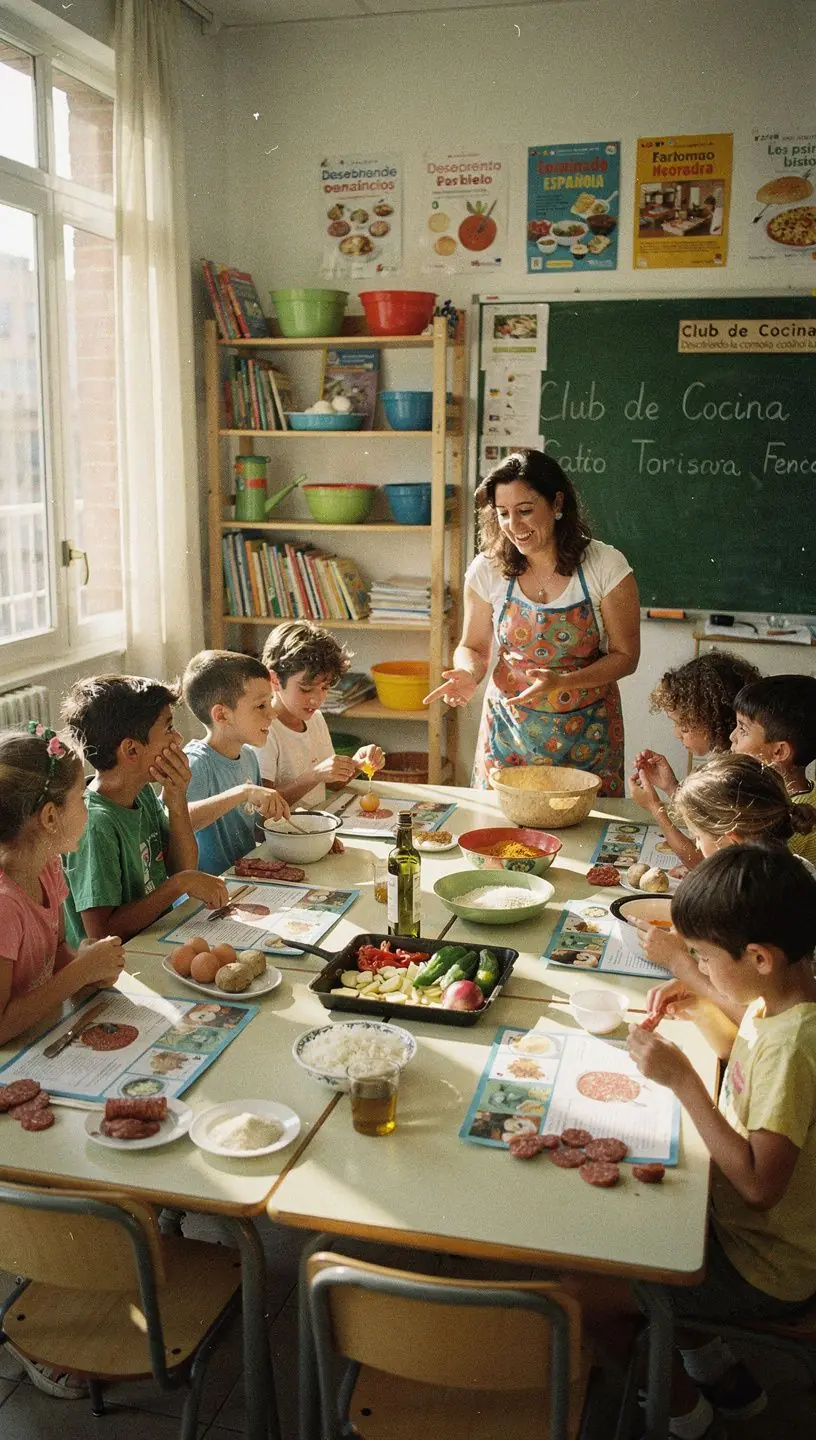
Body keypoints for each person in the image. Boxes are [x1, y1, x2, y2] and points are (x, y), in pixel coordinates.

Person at [629, 846, 816, 1437]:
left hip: (765, 1265)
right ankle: (722, 1374)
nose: (700, 968)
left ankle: (685, 1415)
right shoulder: (784, 1001)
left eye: (704, 959)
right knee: (639, 1215)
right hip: (740, 1228)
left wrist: (685, 1083)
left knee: (599, 1287)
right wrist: (706, 1001)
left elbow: (760, 1186)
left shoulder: (796, 1049)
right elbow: (750, 1043)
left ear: (758, 956)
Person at [422, 449, 640, 795]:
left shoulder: (605, 565)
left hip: (588, 733)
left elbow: (626, 656)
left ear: (556, 504)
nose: (513, 526)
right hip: (509, 733)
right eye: (503, 514)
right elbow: (473, 646)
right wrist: (467, 673)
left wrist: (564, 682)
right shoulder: (487, 568)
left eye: (525, 511)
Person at [61, 675, 228, 944]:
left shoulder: (143, 793)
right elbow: (102, 933)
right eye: (169, 728)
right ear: (132, 750)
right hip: (116, 968)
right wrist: (180, 884)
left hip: (154, 940)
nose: (178, 737)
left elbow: (182, 865)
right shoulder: (94, 823)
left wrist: (176, 797)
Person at [636, 753, 816, 1001]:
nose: (697, 847)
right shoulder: (791, 872)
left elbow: (755, 1012)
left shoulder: (762, 899)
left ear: (731, 841)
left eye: (699, 837)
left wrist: (682, 965)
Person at [0, 725, 125, 1046]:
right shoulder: (4, 906)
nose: (88, 807)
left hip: (43, 1034)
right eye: (81, 797)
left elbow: (54, 954)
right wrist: (80, 972)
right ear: (50, 818)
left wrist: (88, 966)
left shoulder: (48, 866)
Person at [629, 650, 761, 870]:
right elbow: (704, 818)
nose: (677, 734)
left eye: (685, 726)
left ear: (715, 720)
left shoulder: (734, 777)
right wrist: (671, 787)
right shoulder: (730, 761)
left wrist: (655, 808)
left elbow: (701, 863)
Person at [181, 650, 290, 875]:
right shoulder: (196, 762)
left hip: (244, 881)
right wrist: (242, 792)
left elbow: (255, 830)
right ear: (221, 715)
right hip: (208, 896)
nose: (272, 713)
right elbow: (178, 822)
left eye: (270, 702)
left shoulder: (249, 756)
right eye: (261, 706)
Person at [255, 621, 383, 809]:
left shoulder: (314, 718)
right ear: (274, 680)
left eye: (324, 688)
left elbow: (330, 782)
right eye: (305, 689)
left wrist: (357, 764)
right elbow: (264, 806)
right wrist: (315, 774)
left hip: (315, 826)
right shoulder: (263, 729)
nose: (317, 699)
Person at [730, 673, 816, 862]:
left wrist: (655, 807)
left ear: (779, 752)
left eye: (742, 729)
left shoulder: (786, 824)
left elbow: (730, 875)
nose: (732, 737)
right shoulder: (806, 793)